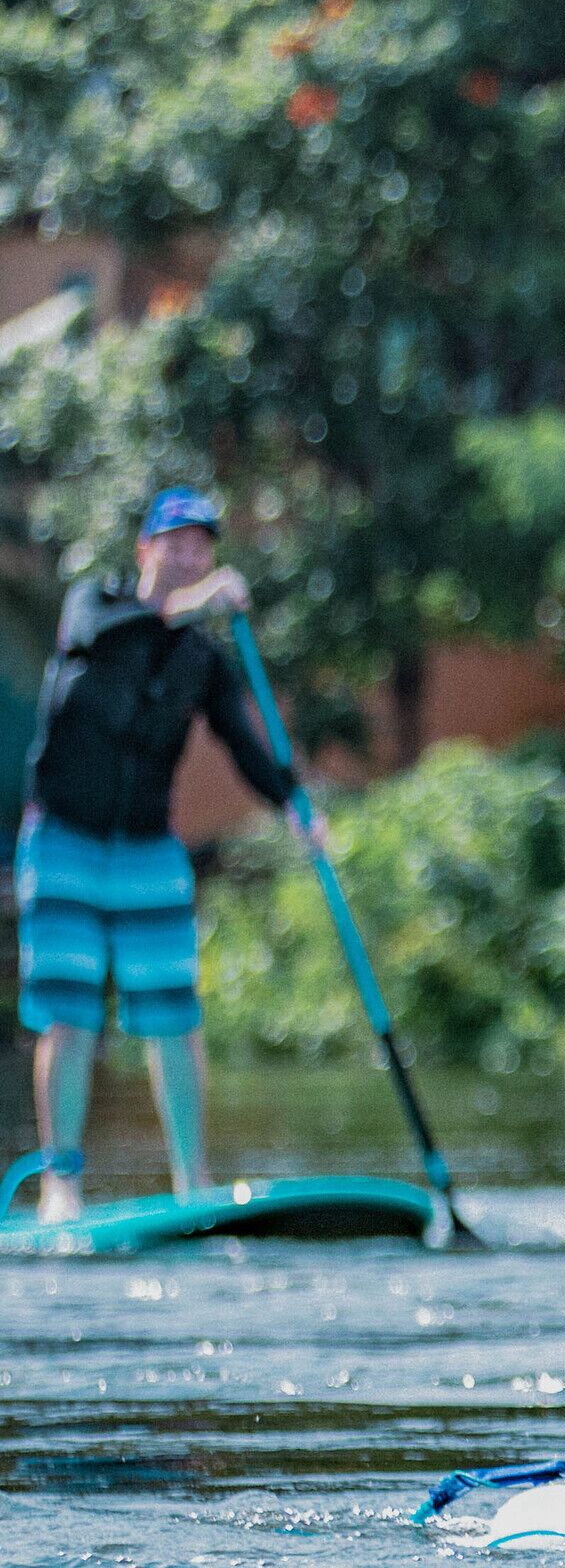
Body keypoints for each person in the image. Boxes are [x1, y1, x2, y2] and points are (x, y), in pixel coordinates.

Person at [16, 489, 296, 1224]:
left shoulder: (200, 659)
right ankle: (61, 1183)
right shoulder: (94, 605)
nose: (189, 556)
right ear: (144, 550)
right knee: (71, 1016)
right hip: (64, 838)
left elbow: (243, 742)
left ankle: (190, 1181)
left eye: (202, 544)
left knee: (174, 1017)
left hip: (146, 850)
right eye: (174, 541)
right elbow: (105, 637)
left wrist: (296, 806)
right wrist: (199, 598)